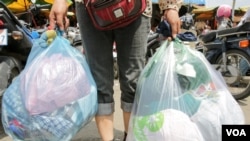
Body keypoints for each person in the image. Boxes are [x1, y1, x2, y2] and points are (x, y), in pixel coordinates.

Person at [48, 0, 182, 141]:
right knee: (100, 82)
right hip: (90, 7)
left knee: (134, 82)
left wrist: (170, 5)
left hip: (135, 8)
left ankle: (130, 137)